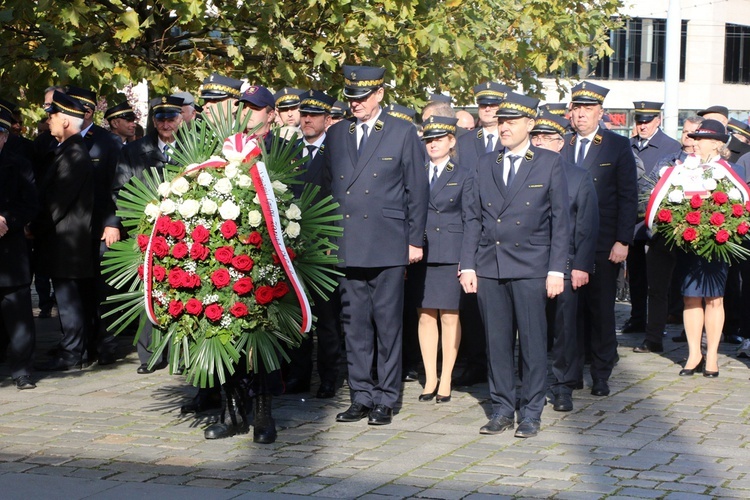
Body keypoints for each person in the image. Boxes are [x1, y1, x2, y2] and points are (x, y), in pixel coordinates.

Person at [459, 92, 569, 438]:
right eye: (501, 121)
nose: (504, 127)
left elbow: (561, 222)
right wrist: (468, 265)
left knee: (534, 343)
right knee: (497, 342)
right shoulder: (485, 163)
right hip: (490, 265)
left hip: (531, 265)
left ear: (529, 125)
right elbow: (472, 218)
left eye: (511, 121)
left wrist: (556, 270)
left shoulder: (548, 164)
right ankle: (503, 407)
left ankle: (532, 410)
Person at [324, 64, 428, 426]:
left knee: (387, 324)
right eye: (351, 98)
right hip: (347, 242)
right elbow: (324, 191)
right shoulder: (336, 135)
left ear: (380, 94)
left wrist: (415, 240)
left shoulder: (401, 132)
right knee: (353, 324)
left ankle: (386, 397)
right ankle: (361, 394)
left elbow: (418, 189)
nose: (355, 104)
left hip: (387, 241)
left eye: (362, 97)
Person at [647, 120, 749, 378]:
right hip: (688, 242)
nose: (694, 142)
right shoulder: (681, 170)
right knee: (690, 297)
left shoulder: (731, 169)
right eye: (693, 137)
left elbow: (740, 207)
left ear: (716, 143)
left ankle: (712, 355)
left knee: (714, 299)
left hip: (716, 244)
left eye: (700, 139)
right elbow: (666, 201)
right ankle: (694, 354)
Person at [561, 81, 638, 397]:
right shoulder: (562, 145)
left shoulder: (616, 146)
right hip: (567, 243)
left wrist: (623, 240)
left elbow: (627, 196)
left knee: (602, 310)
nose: (581, 115)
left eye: (588, 109)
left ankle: (602, 373)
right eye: (577, 109)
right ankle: (573, 371)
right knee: (571, 312)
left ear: (600, 112)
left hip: (604, 243)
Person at [110, 96, 184, 374]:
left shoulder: (194, 148)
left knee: (182, 288)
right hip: (146, 231)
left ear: (181, 118)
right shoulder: (134, 151)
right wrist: (141, 217)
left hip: (184, 232)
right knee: (146, 293)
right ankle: (149, 355)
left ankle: (180, 351)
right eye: (160, 118)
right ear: (153, 121)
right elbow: (119, 189)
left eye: (171, 117)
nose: (166, 124)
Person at [530, 110, 598, 412]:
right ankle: (529, 383)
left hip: (567, 263)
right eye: (536, 137)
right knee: (530, 326)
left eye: (548, 138)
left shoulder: (578, 176)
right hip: (528, 262)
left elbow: (586, 225)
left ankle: (563, 385)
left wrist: (581, 265)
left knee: (564, 328)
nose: (541, 142)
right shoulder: (522, 171)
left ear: (562, 143)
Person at [284, 89, 342, 399]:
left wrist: (335, 241)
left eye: (314, 115)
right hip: (293, 248)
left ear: (327, 119)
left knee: (328, 318)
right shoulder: (289, 152)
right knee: (298, 316)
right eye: (303, 114)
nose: (306, 119)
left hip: (324, 247)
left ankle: (330, 376)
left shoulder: (336, 153)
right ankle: (299, 376)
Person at [410, 116, 472, 404]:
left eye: (439, 139)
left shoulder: (463, 173)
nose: (433, 144)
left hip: (450, 252)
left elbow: (471, 219)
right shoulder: (416, 171)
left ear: (452, 141)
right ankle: (430, 376)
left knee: (449, 316)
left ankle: (446, 376)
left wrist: (467, 258)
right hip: (421, 251)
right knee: (424, 314)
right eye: (429, 140)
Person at [453, 81, 510, 388]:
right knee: (472, 305)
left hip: (505, 232)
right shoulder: (463, 141)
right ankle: (475, 363)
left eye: (494, 105)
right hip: (470, 228)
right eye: (483, 105)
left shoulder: (511, 141)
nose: (488, 109)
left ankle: (502, 365)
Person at [32, 91, 95, 371]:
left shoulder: (74, 153)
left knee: (69, 301)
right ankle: (72, 348)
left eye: (52, 116)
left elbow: (58, 203)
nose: (49, 122)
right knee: (69, 299)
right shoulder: (69, 150)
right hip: (66, 240)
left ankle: (72, 355)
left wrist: (33, 227)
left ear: (66, 121)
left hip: (67, 241)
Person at [66, 85, 125, 365]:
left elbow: (118, 187)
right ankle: (81, 345)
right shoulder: (61, 139)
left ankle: (106, 346)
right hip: (73, 229)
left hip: (102, 226)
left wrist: (113, 223)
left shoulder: (108, 142)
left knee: (104, 288)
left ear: (89, 112)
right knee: (78, 288)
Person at [640, 116, 703, 349]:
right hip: (663, 234)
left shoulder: (708, 166)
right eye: (684, 131)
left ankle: (694, 340)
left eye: (693, 133)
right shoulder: (668, 161)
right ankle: (653, 337)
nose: (687, 136)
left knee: (692, 290)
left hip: (694, 237)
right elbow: (647, 189)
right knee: (656, 288)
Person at [624, 101, 682, 335]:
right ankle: (637, 317)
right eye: (639, 121)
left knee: (659, 277)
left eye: (647, 121)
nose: (643, 126)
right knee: (636, 275)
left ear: (658, 121)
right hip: (633, 221)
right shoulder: (627, 145)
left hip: (659, 222)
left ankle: (659, 320)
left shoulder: (670, 146)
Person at [0, 108, 39, 389]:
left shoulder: (19, 165)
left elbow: (31, 204)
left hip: (10, 252)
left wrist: (7, 220)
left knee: (18, 313)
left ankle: (21, 369)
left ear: (4, 137)